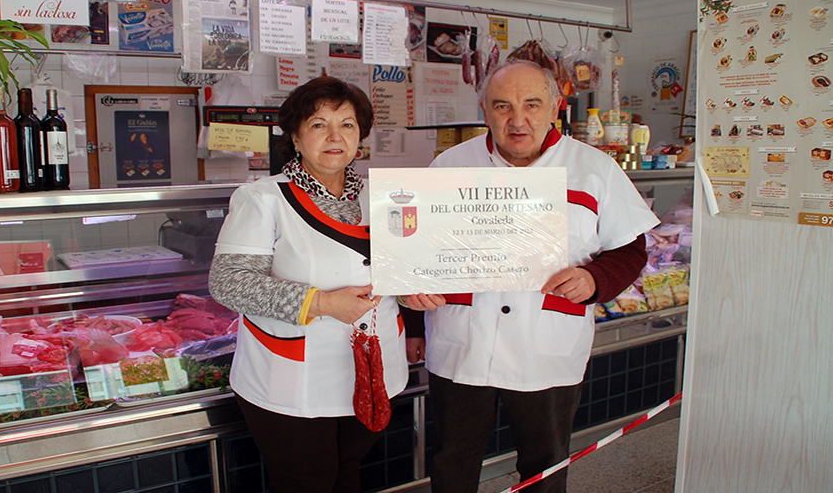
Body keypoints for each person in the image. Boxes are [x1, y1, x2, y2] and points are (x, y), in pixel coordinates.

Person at [404, 59, 659, 493]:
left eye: (532, 105)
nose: (517, 120)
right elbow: (416, 251)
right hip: (461, 341)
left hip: (547, 344)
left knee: (545, 463)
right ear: (484, 109)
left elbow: (630, 248)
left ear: (556, 107)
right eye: (502, 106)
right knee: (452, 459)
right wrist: (412, 315)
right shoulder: (449, 165)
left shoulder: (593, 169)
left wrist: (595, 280)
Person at [208, 76, 410, 493]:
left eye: (348, 125)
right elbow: (228, 283)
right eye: (319, 124)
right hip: (292, 373)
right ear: (296, 137)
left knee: (350, 468)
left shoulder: (387, 196)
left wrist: (414, 292)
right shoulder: (263, 198)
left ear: (361, 136)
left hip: (373, 367)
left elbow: (404, 270)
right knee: (307, 480)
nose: (335, 136)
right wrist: (322, 303)